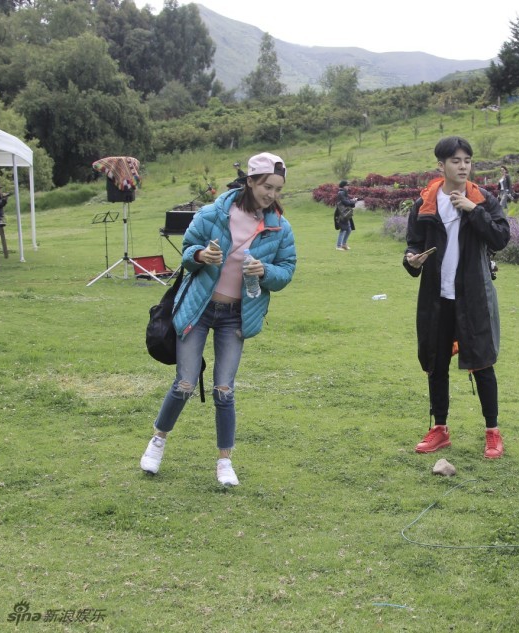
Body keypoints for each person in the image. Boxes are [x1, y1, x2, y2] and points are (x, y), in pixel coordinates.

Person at [140, 152, 297, 487]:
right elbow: (187, 250)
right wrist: (200, 255)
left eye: (278, 189)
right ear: (250, 181)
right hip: (200, 306)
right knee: (184, 383)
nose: (272, 194)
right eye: (267, 186)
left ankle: (225, 462)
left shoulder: (280, 228)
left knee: (224, 389)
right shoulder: (213, 213)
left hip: (236, 315)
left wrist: (265, 270)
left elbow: (286, 272)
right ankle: (158, 440)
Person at [403, 136, 510, 459]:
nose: (462, 166)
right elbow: (412, 243)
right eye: (455, 161)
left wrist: (473, 210)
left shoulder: (483, 199)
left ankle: (492, 431)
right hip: (437, 298)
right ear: (441, 166)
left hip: (474, 296)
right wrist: (411, 259)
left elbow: (501, 237)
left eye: (467, 160)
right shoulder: (425, 203)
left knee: (483, 363)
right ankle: (440, 428)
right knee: (436, 364)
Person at [334, 180, 357, 251]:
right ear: (344, 186)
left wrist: (352, 201)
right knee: (343, 229)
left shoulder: (343, 193)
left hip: (345, 213)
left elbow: (347, 202)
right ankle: (338, 246)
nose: (348, 187)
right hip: (342, 214)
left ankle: (344, 244)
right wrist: (353, 201)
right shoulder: (341, 193)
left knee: (348, 229)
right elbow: (345, 202)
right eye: (347, 185)